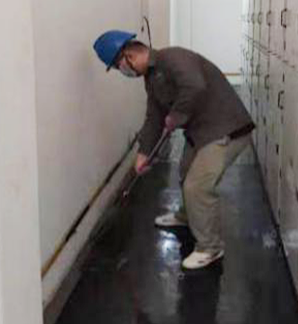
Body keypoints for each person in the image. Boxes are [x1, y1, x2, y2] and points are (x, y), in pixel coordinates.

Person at [93, 30, 254, 269]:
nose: (122, 72)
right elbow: (154, 118)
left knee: (197, 187)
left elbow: (195, 86)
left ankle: (210, 247)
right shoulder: (152, 78)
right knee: (185, 171)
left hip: (225, 129)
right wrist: (143, 153)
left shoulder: (173, 58)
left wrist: (177, 115)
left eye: (119, 67)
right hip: (202, 132)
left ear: (129, 56)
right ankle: (186, 216)